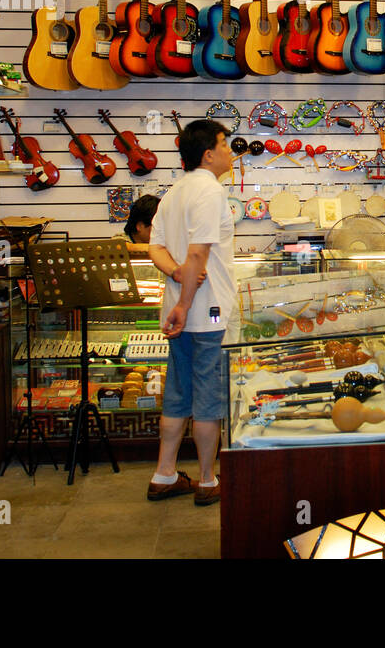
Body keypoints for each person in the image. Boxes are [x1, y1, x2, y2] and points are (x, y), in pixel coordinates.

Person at [143, 119, 235, 506]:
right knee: (209, 399)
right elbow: (199, 253)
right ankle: (208, 481)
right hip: (206, 313)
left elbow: (156, 249)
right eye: (225, 145)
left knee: (178, 394)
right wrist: (184, 303)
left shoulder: (174, 192)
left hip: (179, 314)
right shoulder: (209, 192)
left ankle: (164, 474)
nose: (231, 151)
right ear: (208, 154)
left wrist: (176, 276)